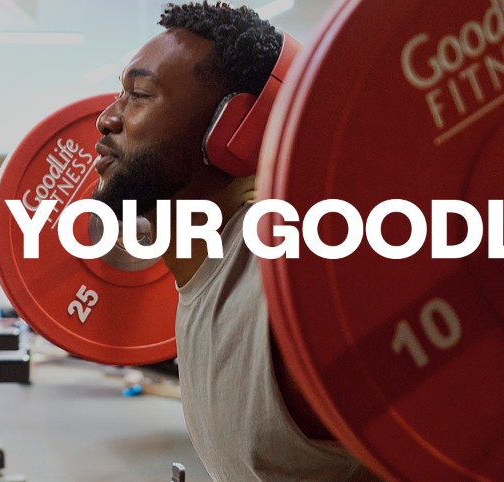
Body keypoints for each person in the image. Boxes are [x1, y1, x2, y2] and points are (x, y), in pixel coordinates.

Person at [90, 2, 380, 481]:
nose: (106, 119)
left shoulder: (293, 292)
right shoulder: (199, 277)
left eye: (139, 94)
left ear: (233, 131)